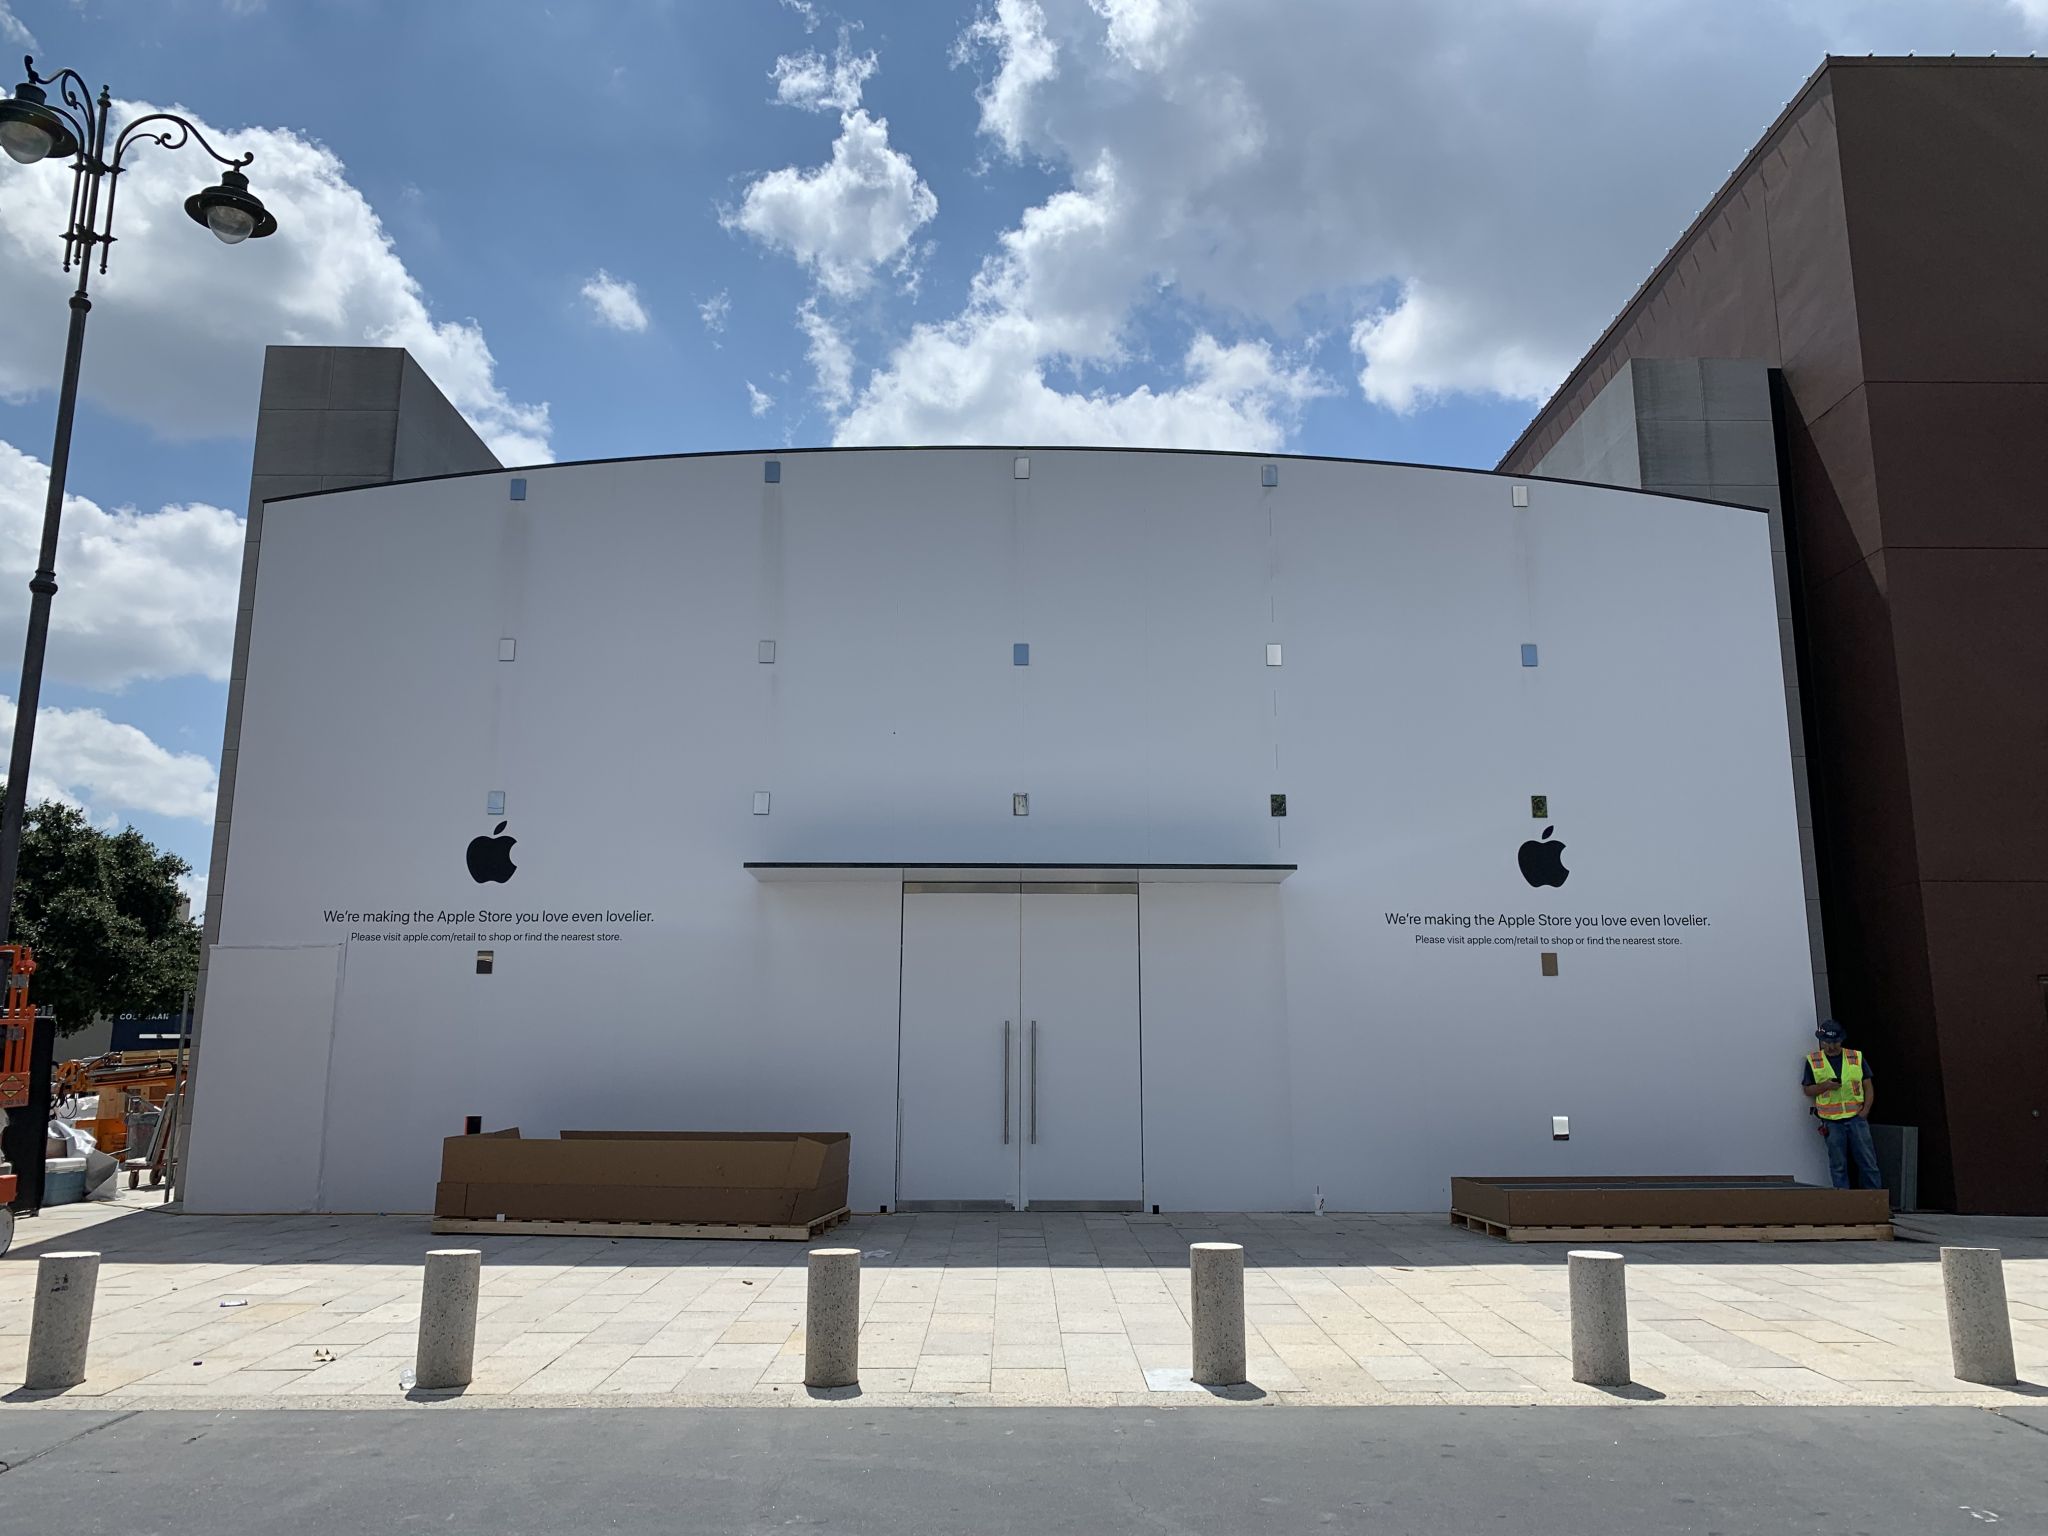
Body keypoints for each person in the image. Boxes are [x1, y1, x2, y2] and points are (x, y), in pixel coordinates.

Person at [1802, 1018, 1883, 1193]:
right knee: (1838, 1165)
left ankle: (1876, 1203)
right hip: (1831, 1121)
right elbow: (1808, 1090)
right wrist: (1825, 1086)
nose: (1831, 1047)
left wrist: (1865, 1111)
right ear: (1821, 1041)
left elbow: (1868, 1086)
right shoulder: (1814, 1061)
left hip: (1856, 1118)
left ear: (1841, 1040)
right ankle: (1845, 1206)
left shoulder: (1855, 1057)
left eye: (1835, 1042)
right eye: (1827, 1042)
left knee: (1868, 1162)